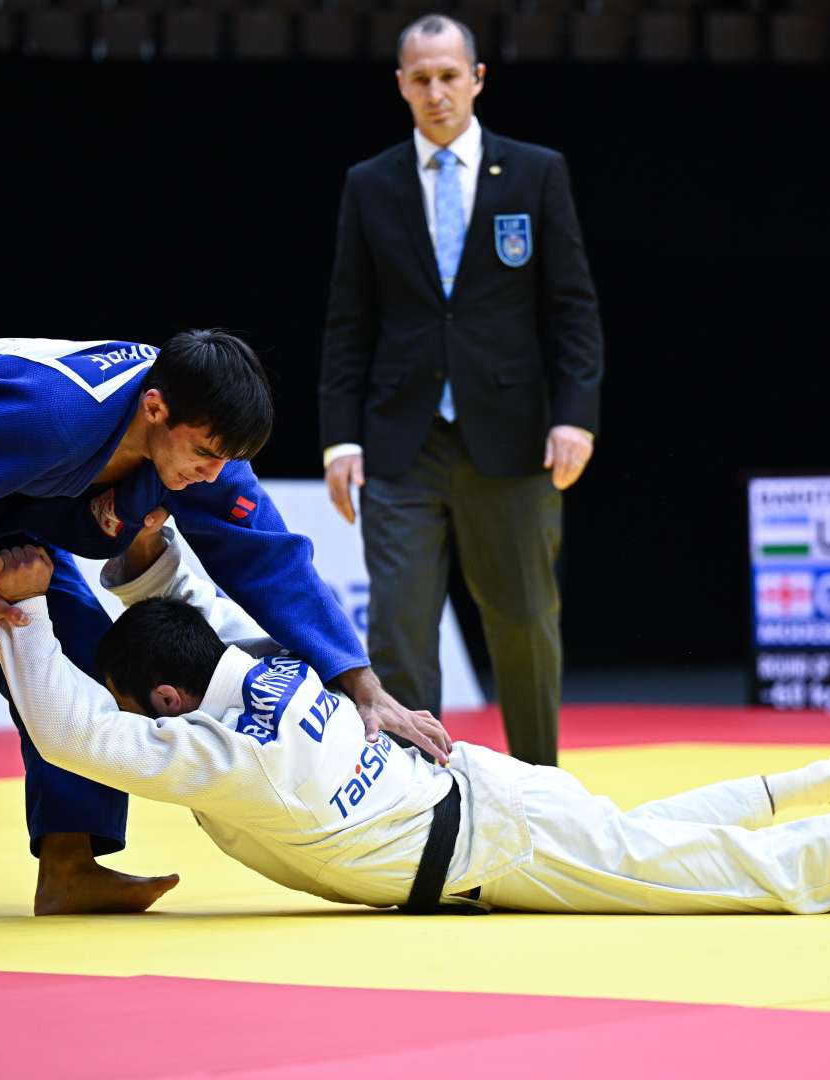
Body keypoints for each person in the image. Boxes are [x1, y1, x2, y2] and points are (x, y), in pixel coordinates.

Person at [0, 528, 830, 917]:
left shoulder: (225, 757)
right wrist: (150, 557)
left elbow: (73, 735)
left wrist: (25, 612)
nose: (137, 724)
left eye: (140, 707)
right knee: (648, 843)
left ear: (168, 703)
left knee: (766, 882)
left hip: (501, 845)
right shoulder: (261, 662)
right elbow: (193, 613)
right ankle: (803, 783)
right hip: (491, 796)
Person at [0, 331, 448, 924]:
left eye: (224, 461)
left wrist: (359, 682)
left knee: (96, 665)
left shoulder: (197, 428)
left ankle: (70, 868)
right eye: (204, 454)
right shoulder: (55, 416)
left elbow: (269, 556)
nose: (212, 474)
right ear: (155, 409)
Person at [320, 13, 603, 767]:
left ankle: (540, 786)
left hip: (514, 435)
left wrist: (575, 418)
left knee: (524, 618)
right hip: (400, 441)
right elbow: (348, 324)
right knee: (400, 627)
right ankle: (421, 798)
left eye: (449, 75)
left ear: (477, 78)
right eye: (421, 78)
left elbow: (572, 310)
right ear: (401, 85)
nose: (436, 91)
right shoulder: (370, 183)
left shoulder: (535, 171)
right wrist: (340, 440)